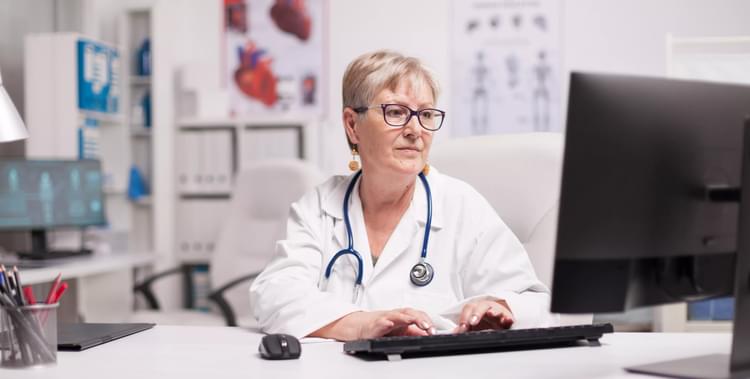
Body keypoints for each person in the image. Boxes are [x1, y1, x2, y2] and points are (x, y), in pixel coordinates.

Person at [250, 50, 552, 341]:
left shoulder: (461, 205)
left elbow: (535, 302)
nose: (415, 129)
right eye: (396, 112)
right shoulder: (318, 206)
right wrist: (360, 325)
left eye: (426, 114)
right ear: (353, 125)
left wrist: (502, 307)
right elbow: (274, 294)